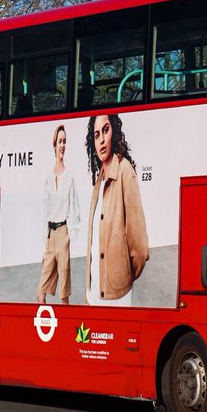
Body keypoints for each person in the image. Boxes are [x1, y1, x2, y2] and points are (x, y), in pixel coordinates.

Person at [84, 113, 149, 305]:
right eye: (96, 135)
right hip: (92, 295)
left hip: (115, 298)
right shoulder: (99, 181)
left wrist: (123, 276)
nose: (102, 139)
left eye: (105, 130)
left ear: (114, 131)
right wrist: (88, 292)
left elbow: (140, 248)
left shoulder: (124, 171)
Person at [37, 124, 81, 304]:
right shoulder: (48, 178)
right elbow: (45, 211)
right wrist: (44, 243)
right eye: (60, 142)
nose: (62, 145)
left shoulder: (70, 176)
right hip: (50, 234)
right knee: (41, 292)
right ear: (54, 145)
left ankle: (64, 327)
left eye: (65, 142)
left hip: (63, 233)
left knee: (64, 294)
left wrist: (71, 236)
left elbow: (75, 209)